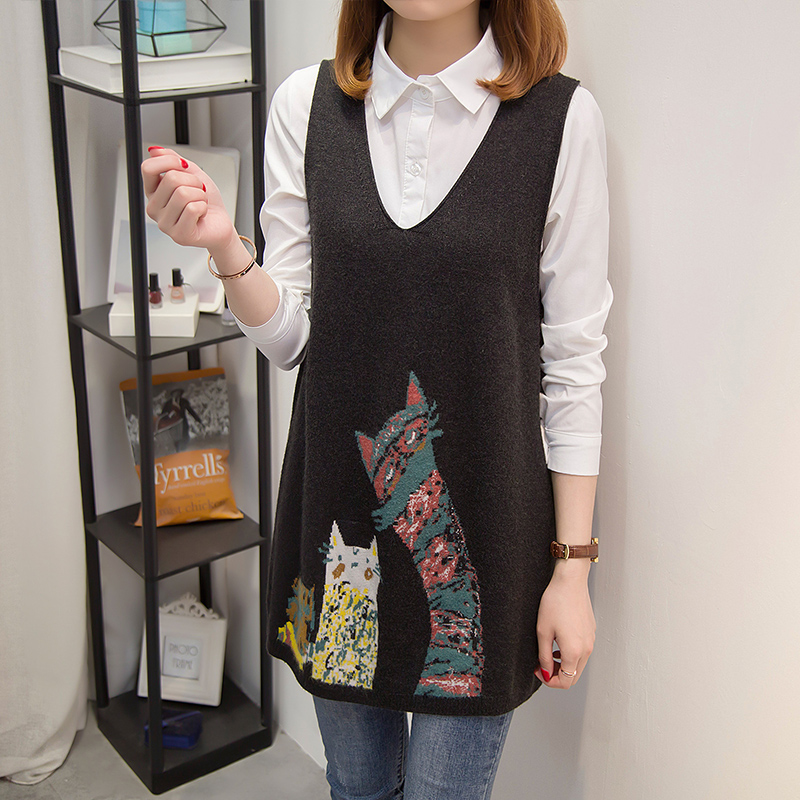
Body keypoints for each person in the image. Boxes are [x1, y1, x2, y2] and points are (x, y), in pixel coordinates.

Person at [142, 1, 613, 797]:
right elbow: (295, 339)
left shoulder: (561, 120)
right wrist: (224, 247)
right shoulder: (306, 105)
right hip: (341, 527)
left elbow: (572, 362)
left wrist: (572, 571)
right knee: (356, 787)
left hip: (487, 542)